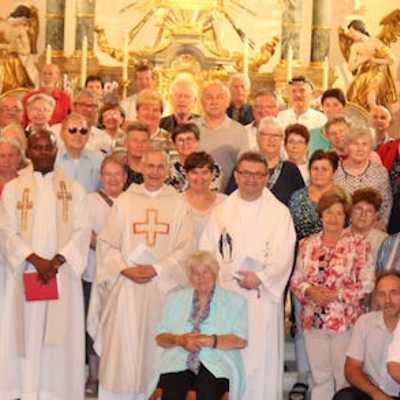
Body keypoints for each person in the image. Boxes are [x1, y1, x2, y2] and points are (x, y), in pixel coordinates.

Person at [89, 149, 194, 400]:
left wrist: (157, 268)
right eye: (150, 166)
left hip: (163, 290)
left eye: (160, 167)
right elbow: (106, 243)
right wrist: (125, 268)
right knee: (123, 351)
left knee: (158, 351)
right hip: (127, 288)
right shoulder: (125, 201)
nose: (155, 172)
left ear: (167, 170)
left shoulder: (178, 204)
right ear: (141, 169)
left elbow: (187, 247)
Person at [0, 129, 90, 400]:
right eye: (37, 148)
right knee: (25, 333)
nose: (42, 152)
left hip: (61, 276)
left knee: (58, 337)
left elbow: (82, 231)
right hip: (25, 272)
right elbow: (5, 230)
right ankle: (25, 389)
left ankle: (54, 390)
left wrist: (57, 261)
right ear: (29, 152)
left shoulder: (74, 189)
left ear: (56, 151)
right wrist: (34, 259)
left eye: (47, 147)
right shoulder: (14, 190)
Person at [201, 151, 296, 400]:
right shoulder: (221, 211)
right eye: (246, 173)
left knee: (260, 362)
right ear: (236, 175)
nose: (251, 179)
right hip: (227, 298)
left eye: (258, 174)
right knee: (229, 364)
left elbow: (284, 254)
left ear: (266, 177)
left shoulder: (279, 213)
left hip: (261, 300)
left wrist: (261, 278)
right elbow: (207, 251)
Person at [291, 187, 375, 400]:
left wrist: (336, 294)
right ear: (321, 214)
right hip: (313, 322)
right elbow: (296, 280)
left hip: (345, 322)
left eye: (339, 213)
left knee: (344, 377)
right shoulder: (307, 244)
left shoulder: (359, 244)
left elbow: (367, 284)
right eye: (329, 212)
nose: (333, 218)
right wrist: (310, 291)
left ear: (346, 217)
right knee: (320, 378)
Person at [148, 251, 248, 400]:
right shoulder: (174, 299)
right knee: (172, 389)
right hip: (178, 360)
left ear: (215, 273)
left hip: (217, 362)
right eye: (195, 273)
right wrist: (180, 340)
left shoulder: (235, 301)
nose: (201, 278)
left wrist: (209, 340)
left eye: (206, 272)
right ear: (190, 277)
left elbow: (240, 340)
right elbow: (160, 337)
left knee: (206, 391)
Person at [83, 155, 127, 397]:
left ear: (125, 177)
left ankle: (115, 375)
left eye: (117, 174)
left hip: (123, 277)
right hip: (94, 274)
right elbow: (85, 232)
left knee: (118, 328)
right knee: (94, 324)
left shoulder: (132, 201)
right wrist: (107, 250)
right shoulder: (89, 201)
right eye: (108, 174)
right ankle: (94, 375)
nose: (112, 179)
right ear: (100, 177)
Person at [333, 272, 400, 400]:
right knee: (344, 397)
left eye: (394, 293)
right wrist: (377, 394)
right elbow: (351, 368)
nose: (388, 300)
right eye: (382, 294)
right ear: (376, 297)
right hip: (372, 393)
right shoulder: (365, 322)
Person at [227, 117, 304, 206]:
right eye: (266, 135)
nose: (271, 139)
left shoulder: (291, 170)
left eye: (276, 136)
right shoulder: (244, 167)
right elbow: (230, 199)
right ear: (257, 137)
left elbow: (302, 203)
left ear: (282, 140)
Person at [194, 80, 248, 191]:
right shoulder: (190, 128)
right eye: (209, 97)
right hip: (193, 192)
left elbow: (244, 167)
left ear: (228, 102)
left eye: (219, 97)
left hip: (228, 194)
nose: (214, 102)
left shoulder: (239, 131)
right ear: (202, 102)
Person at [335, 127, 392, 229]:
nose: (360, 149)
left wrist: (382, 224)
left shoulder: (380, 172)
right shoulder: (334, 170)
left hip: (371, 229)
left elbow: (386, 203)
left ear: (370, 148)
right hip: (339, 229)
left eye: (364, 144)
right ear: (347, 146)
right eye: (355, 144)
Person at [344, 19, 397, 110]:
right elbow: (350, 67)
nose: (351, 35)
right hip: (365, 72)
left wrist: (375, 60)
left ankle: (374, 109)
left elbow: (391, 60)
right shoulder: (355, 46)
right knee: (357, 84)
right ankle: (360, 112)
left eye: (353, 32)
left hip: (379, 72)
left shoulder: (375, 42)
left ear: (360, 30)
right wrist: (361, 60)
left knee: (371, 85)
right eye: (350, 32)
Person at [183, 151, 226, 245]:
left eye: (205, 172)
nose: (200, 178)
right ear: (186, 174)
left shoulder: (225, 203)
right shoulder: (177, 202)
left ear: (213, 174)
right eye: (194, 172)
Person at [168, 123, 222, 192]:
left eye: (189, 139)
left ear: (197, 142)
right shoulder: (168, 171)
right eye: (180, 140)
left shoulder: (213, 168)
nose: (185, 143)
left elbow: (211, 193)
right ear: (174, 144)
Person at [56, 112, 103, 192]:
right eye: (72, 130)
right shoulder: (53, 159)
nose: (78, 134)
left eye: (83, 131)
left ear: (88, 136)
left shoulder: (99, 160)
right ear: (61, 134)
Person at [0, 5, 37, 92]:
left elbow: (27, 50)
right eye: (25, 20)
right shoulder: (2, 23)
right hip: (4, 59)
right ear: (22, 17)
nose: (25, 23)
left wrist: (15, 49)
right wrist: (4, 46)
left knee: (15, 89)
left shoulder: (21, 29)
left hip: (12, 61)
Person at [351, 188, 388, 265]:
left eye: (369, 211)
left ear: (376, 215)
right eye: (359, 209)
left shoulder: (386, 242)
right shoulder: (338, 237)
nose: (363, 215)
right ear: (351, 210)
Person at [136, 89, 175, 159]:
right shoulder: (126, 138)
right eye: (146, 109)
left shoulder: (169, 139)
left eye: (155, 110)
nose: (150, 113)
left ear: (161, 114)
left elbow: (175, 163)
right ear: (137, 112)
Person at [308, 88, 346, 158]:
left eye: (335, 105)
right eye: (327, 105)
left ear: (343, 107)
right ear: (322, 108)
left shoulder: (352, 134)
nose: (331, 109)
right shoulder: (312, 134)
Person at [124, 122, 151, 187]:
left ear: (149, 144)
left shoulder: (155, 170)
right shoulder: (117, 168)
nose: (139, 145)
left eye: (144, 141)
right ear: (125, 143)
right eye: (135, 140)